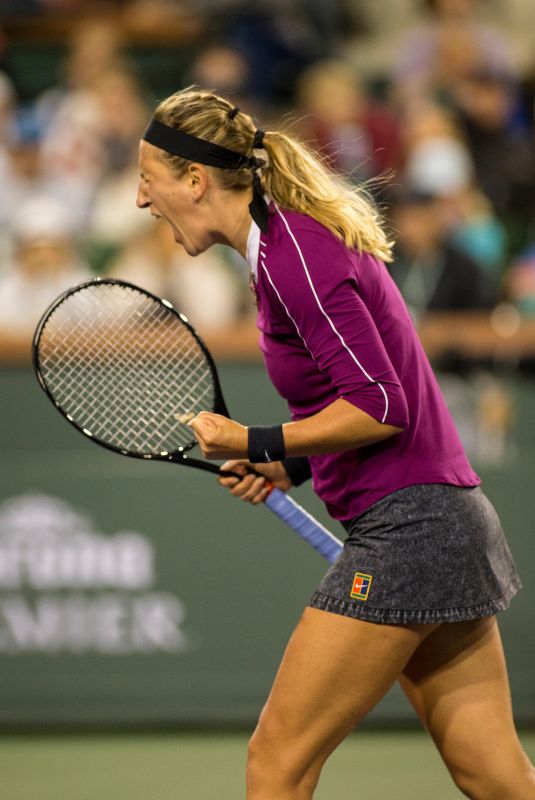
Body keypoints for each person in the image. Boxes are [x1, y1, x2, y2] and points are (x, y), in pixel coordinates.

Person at [135, 86, 534, 799]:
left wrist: (250, 435)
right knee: (496, 778)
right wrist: (288, 461)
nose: (140, 201)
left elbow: (381, 404)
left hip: (410, 531)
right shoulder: (283, 251)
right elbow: (357, 403)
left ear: (195, 180)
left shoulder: (295, 255)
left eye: (148, 180)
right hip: (445, 523)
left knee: (276, 761)